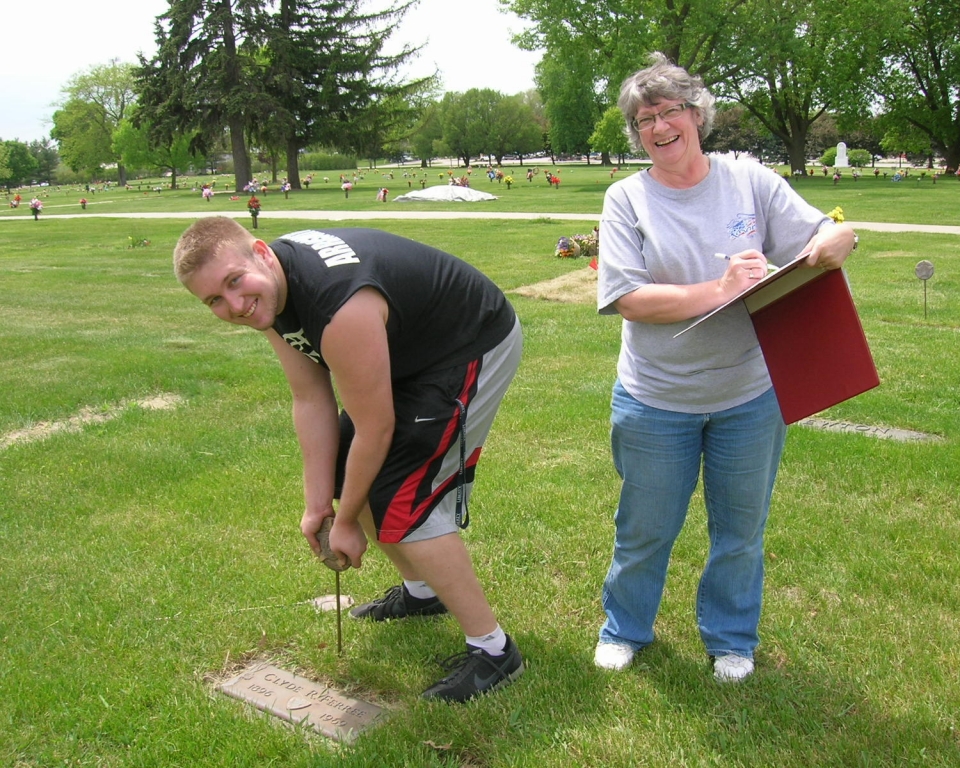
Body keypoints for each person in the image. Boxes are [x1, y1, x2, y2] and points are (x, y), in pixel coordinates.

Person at [173, 217, 525, 702]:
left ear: (260, 252)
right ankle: (423, 594)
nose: (233, 305)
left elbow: (375, 427)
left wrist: (346, 523)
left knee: (402, 499)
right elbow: (310, 398)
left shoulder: (337, 303)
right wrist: (318, 505)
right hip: (404, 350)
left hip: (466, 342)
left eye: (234, 282)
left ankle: (494, 650)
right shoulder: (270, 294)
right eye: (213, 299)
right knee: (349, 475)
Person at [594, 54, 857, 682]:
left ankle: (732, 640)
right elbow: (628, 298)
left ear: (697, 114)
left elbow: (822, 232)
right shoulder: (626, 197)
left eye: (670, 111)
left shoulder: (750, 180)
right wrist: (721, 288)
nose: (659, 126)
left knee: (740, 532)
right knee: (645, 529)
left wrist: (835, 242)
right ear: (636, 132)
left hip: (749, 394)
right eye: (645, 118)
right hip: (657, 397)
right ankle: (624, 629)